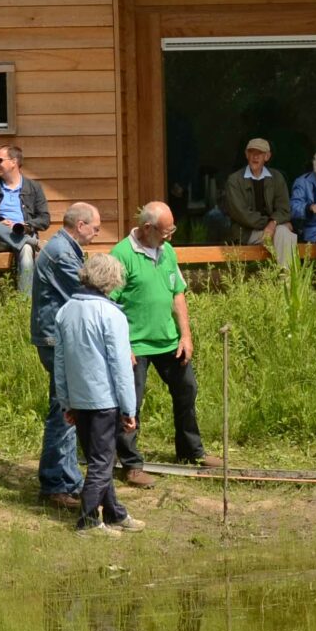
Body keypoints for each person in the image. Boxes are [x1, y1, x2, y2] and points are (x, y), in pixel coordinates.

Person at [111, 200, 209, 484]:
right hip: (135, 344)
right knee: (131, 404)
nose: (170, 236)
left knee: (187, 390)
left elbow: (178, 294)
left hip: (168, 341)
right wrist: (123, 346)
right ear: (147, 228)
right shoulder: (121, 254)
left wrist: (186, 335)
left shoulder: (167, 251)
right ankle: (130, 464)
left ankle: (191, 452)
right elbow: (110, 303)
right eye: (166, 231)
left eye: (172, 230)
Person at [49, 251, 145, 535]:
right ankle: (89, 520)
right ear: (111, 280)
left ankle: (115, 513)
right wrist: (129, 408)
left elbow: (60, 362)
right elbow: (120, 366)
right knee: (103, 463)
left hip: (78, 398)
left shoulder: (65, 310)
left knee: (98, 460)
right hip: (104, 400)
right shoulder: (112, 314)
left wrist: (66, 401)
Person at [31, 202, 109, 508]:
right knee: (63, 411)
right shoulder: (63, 252)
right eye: (95, 227)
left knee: (69, 408)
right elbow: (87, 289)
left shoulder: (65, 247)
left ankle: (68, 478)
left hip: (56, 336)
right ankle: (54, 484)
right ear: (80, 225)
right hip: (54, 339)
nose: (97, 232)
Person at [0, 144, 52, 296]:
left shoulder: (34, 187)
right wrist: (0, 222)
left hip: (22, 232)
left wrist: (26, 225)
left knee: (27, 252)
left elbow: (44, 219)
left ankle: (24, 306)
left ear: (13, 162)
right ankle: (32, 242)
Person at [219, 137, 297, 265]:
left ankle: (286, 280)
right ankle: (288, 281)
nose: (255, 157)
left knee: (284, 233)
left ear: (267, 156)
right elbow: (241, 214)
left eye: (259, 153)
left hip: (272, 230)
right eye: (251, 153)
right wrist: (271, 224)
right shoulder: (234, 180)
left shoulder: (277, 177)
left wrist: (273, 225)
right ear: (246, 155)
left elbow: (284, 209)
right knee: (284, 232)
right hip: (246, 233)